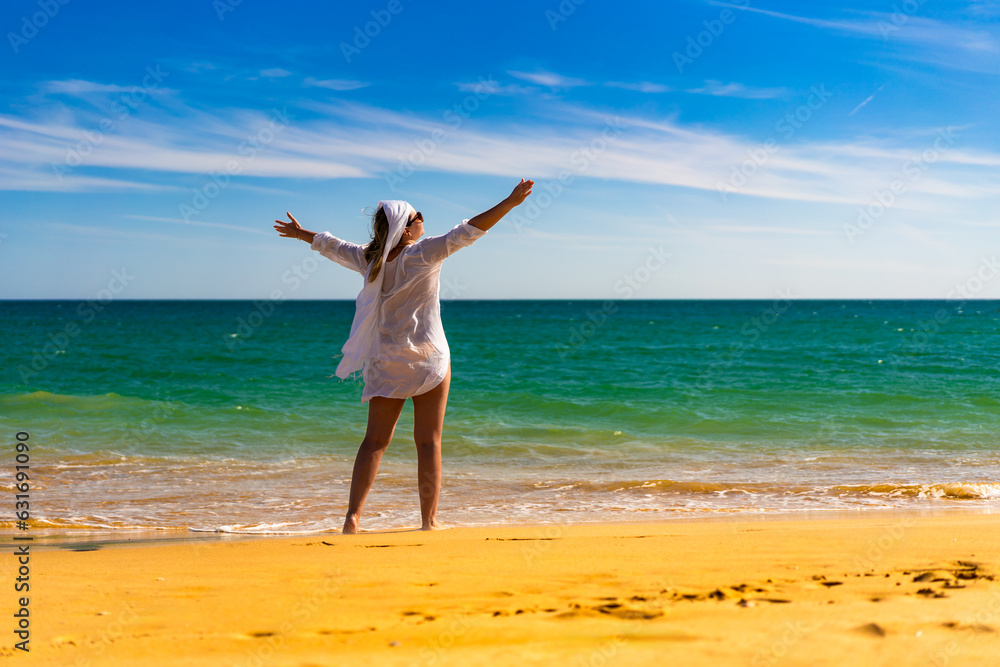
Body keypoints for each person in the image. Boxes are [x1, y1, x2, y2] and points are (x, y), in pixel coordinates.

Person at [273, 178, 534, 533]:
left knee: (375, 441)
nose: (423, 221)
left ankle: (352, 517)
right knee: (428, 442)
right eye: (419, 217)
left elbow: (330, 245)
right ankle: (429, 521)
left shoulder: (369, 259)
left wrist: (301, 233)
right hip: (427, 357)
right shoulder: (422, 252)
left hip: (385, 360)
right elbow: (469, 231)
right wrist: (510, 202)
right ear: (407, 226)